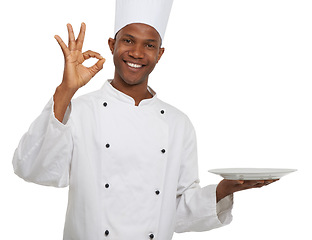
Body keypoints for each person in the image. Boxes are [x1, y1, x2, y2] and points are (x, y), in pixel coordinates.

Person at [12, 0, 277, 239]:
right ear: (112, 45)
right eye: (128, 41)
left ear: (159, 54)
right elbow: (32, 169)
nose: (137, 53)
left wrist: (223, 190)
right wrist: (66, 90)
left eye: (149, 45)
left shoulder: (177, 124)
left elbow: (177, 212)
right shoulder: (79, 110)